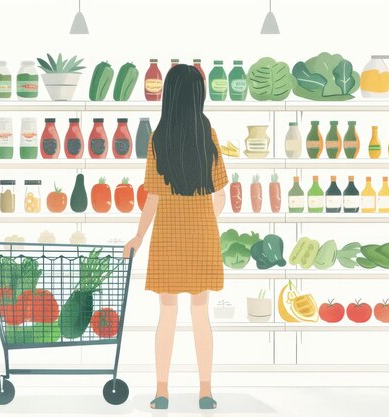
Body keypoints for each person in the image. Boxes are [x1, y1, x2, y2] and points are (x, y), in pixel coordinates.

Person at [123, 64, 228, 410]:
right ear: (198, 95)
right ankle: (206, 391)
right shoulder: (207, 133)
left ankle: (162, 391)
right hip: (202, 235)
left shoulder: (158, 137)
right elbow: (220, 196)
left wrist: (138, 236)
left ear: (168, 95)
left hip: (167, 234)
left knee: (166, 313)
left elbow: (151, 196)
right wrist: (203, 223)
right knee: (201, 312)